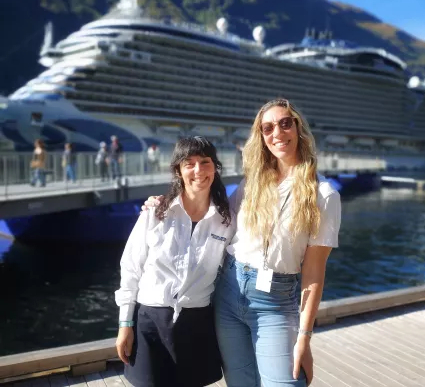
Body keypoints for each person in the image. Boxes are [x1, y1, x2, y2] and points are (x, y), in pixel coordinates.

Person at [144, 99, 341, 387]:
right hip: (228, 290)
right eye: (267, 128)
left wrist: (304, 337)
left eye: (285, 123)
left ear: (299, 128)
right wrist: (164, 203)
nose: (277, 133)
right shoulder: (253, 183)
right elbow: (214, 215)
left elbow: (314, 273)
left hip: (276, 301)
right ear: (261, 137)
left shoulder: (323, 194)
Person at [115, 136, 235, 387]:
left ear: (215, 168)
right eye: (189, 163)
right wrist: (125, 323)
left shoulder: (226, 221)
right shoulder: (156, 211)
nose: (198, 170)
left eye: (205, 162)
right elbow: (131, 267)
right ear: (178, 171)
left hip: (196, 321)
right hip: (150, 320)